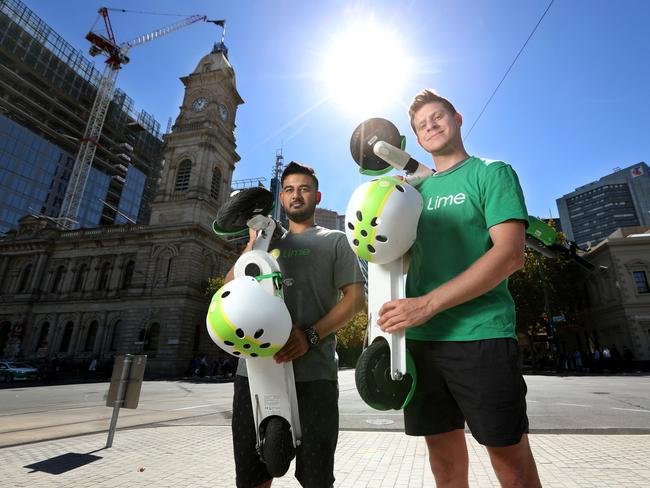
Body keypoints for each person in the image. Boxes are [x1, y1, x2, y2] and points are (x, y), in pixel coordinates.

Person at [377, 89, 541, 487]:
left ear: (458, 118)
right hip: (421, 344)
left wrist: (427, 305)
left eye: (437, 117)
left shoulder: (491, 172)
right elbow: (384, 251)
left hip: (481, 335)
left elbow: (510, 255)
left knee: (509, 458)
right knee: (444, 462)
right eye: (421, 125)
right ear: (416, 139)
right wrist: (391, 199)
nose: (430, 126)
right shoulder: (411, 194)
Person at [225, 162, 365, 488]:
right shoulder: (266, 243)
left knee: (316, 480)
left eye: (303, 189)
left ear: (317, 196)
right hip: (255, 375)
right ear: (282, 199)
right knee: (250, 479)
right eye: (288, 190)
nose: (295, 195)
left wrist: (310, 336)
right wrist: (253, 243)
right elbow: (229, 288)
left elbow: (356, 299)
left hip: (314, 377)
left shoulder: (336, 241)